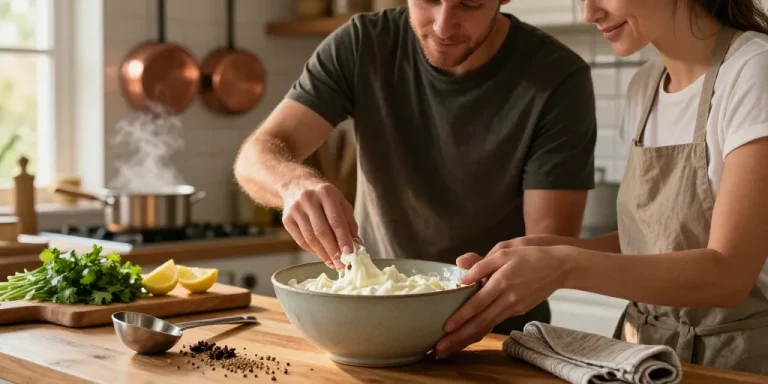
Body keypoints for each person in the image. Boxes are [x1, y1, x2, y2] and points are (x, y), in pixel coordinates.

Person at [435, 0, 768, 374]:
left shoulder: (754, 71)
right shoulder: (646, 85)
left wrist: (564, 266)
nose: (589, 13)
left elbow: (729, 276)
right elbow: (651, 243)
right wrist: (552, 250)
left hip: (738, 363)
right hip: (648, 358)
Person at [234, 0, 598, 335]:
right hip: (372, 325)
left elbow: (545, 250)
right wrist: (294, 184)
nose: (443, 25)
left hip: (495, 334)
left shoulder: (557, 78)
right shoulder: (363, 44)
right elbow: (256, 156)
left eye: (468, 3)